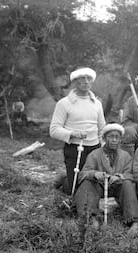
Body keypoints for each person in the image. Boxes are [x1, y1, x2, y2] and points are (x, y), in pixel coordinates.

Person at [74, 123, 138, 233]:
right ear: (104, 138)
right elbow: (82, 174)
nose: (114, 140)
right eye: (111, 137)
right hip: (99, 187)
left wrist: (120, 176)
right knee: (87, 183)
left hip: (118, 188)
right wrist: (94, 174)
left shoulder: (126, 156)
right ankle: (90, 218)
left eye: (117, 137)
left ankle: (133, 221)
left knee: (128, 183)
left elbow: (132, 175)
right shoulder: (94, 154)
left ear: (120, 140)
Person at [50, 67, 105, 195]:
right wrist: (72, 134)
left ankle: (68, 178)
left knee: (93, 183)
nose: (86, 82)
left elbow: (102, 129)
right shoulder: (64, 103)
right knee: (74, 189)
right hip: (74, 148)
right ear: (75, 82)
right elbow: (53, 130)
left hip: (95, 149)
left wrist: (103, 147)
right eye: (82, 79)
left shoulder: (97, 104)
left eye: (89, 79)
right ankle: (64, 179)